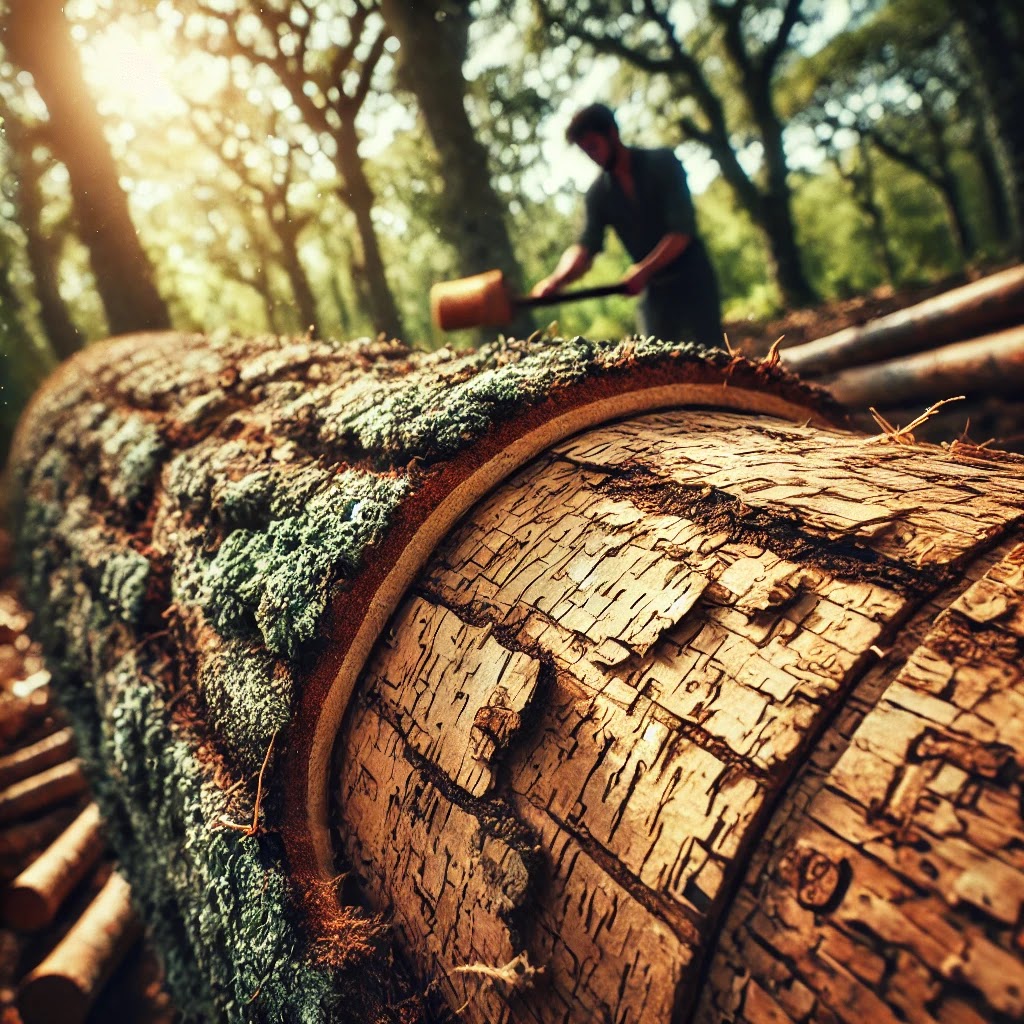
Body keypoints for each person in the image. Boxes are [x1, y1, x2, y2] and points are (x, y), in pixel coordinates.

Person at [532, 103, 723, 348]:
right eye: (586, 151)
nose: (592, 156)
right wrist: (556, 281)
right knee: (655, 365)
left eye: (593, 146)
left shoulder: (663, 163)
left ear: (612, 133)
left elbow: (682, 232)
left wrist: (643, 270)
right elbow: (586, 247)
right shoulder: (598, 194)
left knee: (712, 359)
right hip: (654, 295)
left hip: (694, 282)